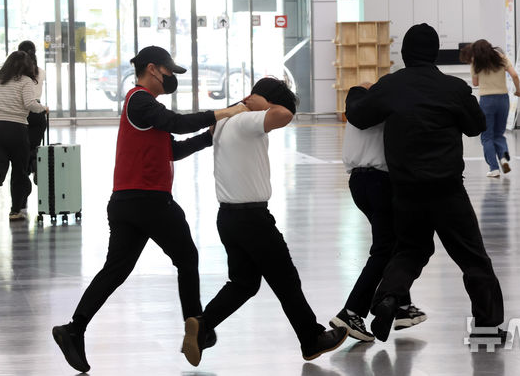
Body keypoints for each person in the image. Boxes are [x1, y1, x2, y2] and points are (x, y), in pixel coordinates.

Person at [51, 46, 247, 373]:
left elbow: (172, 149)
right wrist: (225, 112)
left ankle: (74, 329)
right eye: (170, 72)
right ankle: (196, 326)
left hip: (126, 202)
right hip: (149, 200)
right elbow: (177, 123)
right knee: (187, 258)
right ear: (154, 69)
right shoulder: (140, 100)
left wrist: (209, 136)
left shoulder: (146, 108)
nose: (172, 78)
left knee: (116, 270)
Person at [345, 23, 506, 344]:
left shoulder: (391, 86)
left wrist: (356, 92)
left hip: (405, 190)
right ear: (434, 53)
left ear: (404, 53)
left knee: (410, 250)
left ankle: (388, 298)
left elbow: (359, 116)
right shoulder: (453, 88)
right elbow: (476, 126)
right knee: (473, 258)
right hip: (447, 189)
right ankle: (486, 328)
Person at [181, 78, 348, 367]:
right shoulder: (247, 119)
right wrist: (262, 105)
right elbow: (284, 115)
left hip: (228, 217)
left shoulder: (224, 121)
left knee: (244, 283)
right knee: (286, 280)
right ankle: (311, 339)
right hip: (252, 219)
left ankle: (203, 325)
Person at [329, 112, 426, 342]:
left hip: (358, 182)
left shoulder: (358, 105)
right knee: (386, 249)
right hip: (381, 181)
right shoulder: (387, 106)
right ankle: (351, 311)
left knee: (393, 245)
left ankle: (402, 306)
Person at [0, 51, 48, 221]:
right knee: (19, 171)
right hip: (16, 129)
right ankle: (15, 211)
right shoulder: (25, 81)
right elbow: (30, 104)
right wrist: (43, 108)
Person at [461, 39, 520, 178]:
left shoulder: (476, 62)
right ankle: (504, 160)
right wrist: (518, 90)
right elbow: (514, 75)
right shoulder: (501, 58)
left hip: (487, 100)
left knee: (487, 136)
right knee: (499, 134)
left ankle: (494, 168)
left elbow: (475, 83)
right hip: (503, 99)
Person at [17, 40, 47, 184]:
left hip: (22, 112)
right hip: (38, 113)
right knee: (34, 147)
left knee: (22, 150)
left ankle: (24, 176)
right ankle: (35, 165)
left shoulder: (18, 75)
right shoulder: (41, 72)